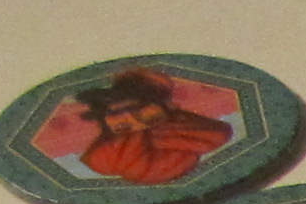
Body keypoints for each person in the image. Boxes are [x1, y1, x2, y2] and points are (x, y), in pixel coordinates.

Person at [72, 68, 233, 188]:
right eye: (115, 112)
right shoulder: (104, 155)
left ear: (168, 105)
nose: (129, 118)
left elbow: (217, 135)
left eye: (137, 109)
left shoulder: (200, 133)